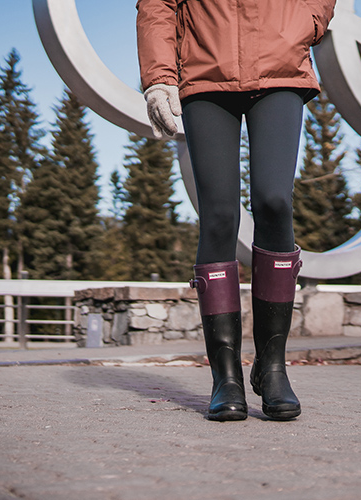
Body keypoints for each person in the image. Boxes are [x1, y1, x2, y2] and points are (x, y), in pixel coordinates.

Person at [136, 0, 337, 421]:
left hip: (281, 65)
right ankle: (225, 377)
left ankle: (272, 367)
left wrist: (307, 21)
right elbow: (157, 5)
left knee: (275, 201)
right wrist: (158, 77)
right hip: (205, 73)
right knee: (219, 215)